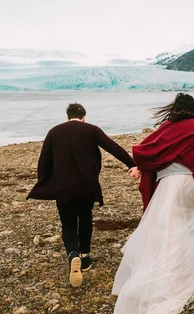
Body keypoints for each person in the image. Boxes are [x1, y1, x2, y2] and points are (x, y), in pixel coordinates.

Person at [112, 93, 194, 314]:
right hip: (188, 183)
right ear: (193, 110)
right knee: (184, 228)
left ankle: (166, 275)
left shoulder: (166, 129)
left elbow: (150, 152)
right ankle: (178, 275)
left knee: (166, 231)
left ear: (174, 110)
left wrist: (140, 168)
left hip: (168, 186)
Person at [27, 103, 138, 288]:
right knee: (85, 217)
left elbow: (43, 161)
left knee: (68, 223)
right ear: (84, 117)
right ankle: (85, 257)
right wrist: (132, 164)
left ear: (67, 117)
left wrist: (45, 183)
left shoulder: (54, 132)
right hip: (88, 186)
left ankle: (73, 255)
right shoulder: (92, 130)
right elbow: (113, 147)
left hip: (64, 187)